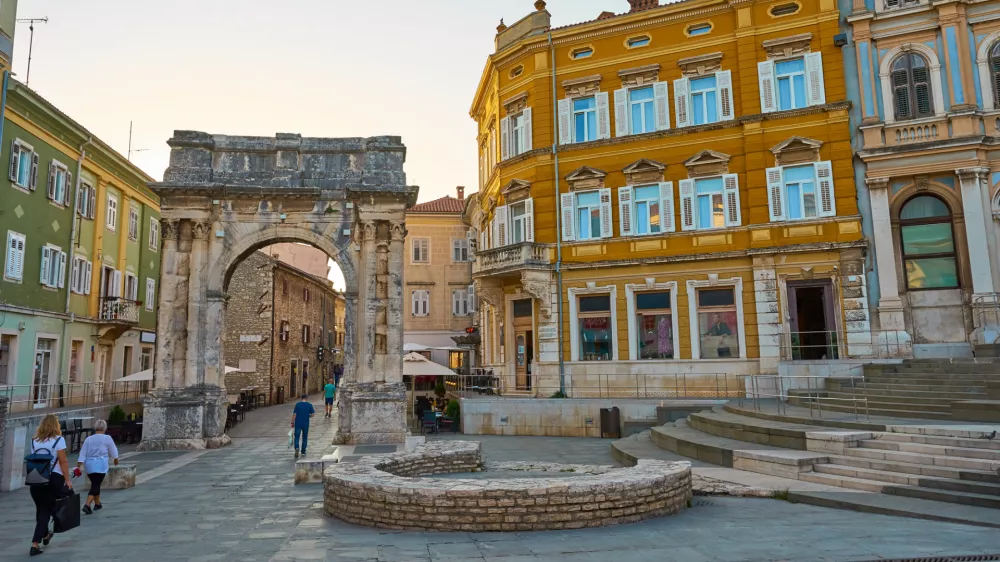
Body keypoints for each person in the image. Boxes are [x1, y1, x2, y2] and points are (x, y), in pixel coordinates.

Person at [27, 414, 73, 557]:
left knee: (41, 509)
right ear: (56, 425)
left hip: (36, 479)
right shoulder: (58, 440)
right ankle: (35, 544)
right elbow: (63, 461)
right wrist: (68, 480)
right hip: (54, 478)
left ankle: (46, 534)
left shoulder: (34, 441)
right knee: (46, 510)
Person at [76, 419, 120, 515]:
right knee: (96, 484)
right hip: (101, 464)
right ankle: (87, 505)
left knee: (95, 483)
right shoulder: (107, 438)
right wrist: (115, 458)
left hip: (90, 464)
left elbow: (83, 452)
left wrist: (79, 463)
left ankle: (97, 503)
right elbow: (113, 449)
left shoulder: (89, 439)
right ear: (105, 428)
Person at [291, 393, 315, 459]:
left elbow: (294, 414)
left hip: (298, 423)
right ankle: (303, 451)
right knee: (304, 437)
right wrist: (308, 416)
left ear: (301, 398)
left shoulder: (298, 405)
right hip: (305, 423)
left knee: (297, 437)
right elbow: (313, 414)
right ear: (306, 398)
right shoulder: (309, 405)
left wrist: (292, 422)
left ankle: (297, 448)